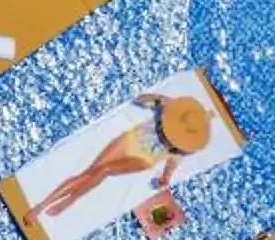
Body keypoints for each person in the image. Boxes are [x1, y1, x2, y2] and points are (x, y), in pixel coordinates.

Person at [34, 88, 215, 220]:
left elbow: (170, 167)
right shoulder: (169, 109)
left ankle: (69, 199)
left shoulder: (180, 147)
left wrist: (164, 180)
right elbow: (140, 100)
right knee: (90, 171)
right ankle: (43, 205)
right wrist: (159, 98)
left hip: (143, 159)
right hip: (129, 140)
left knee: (105, 170)